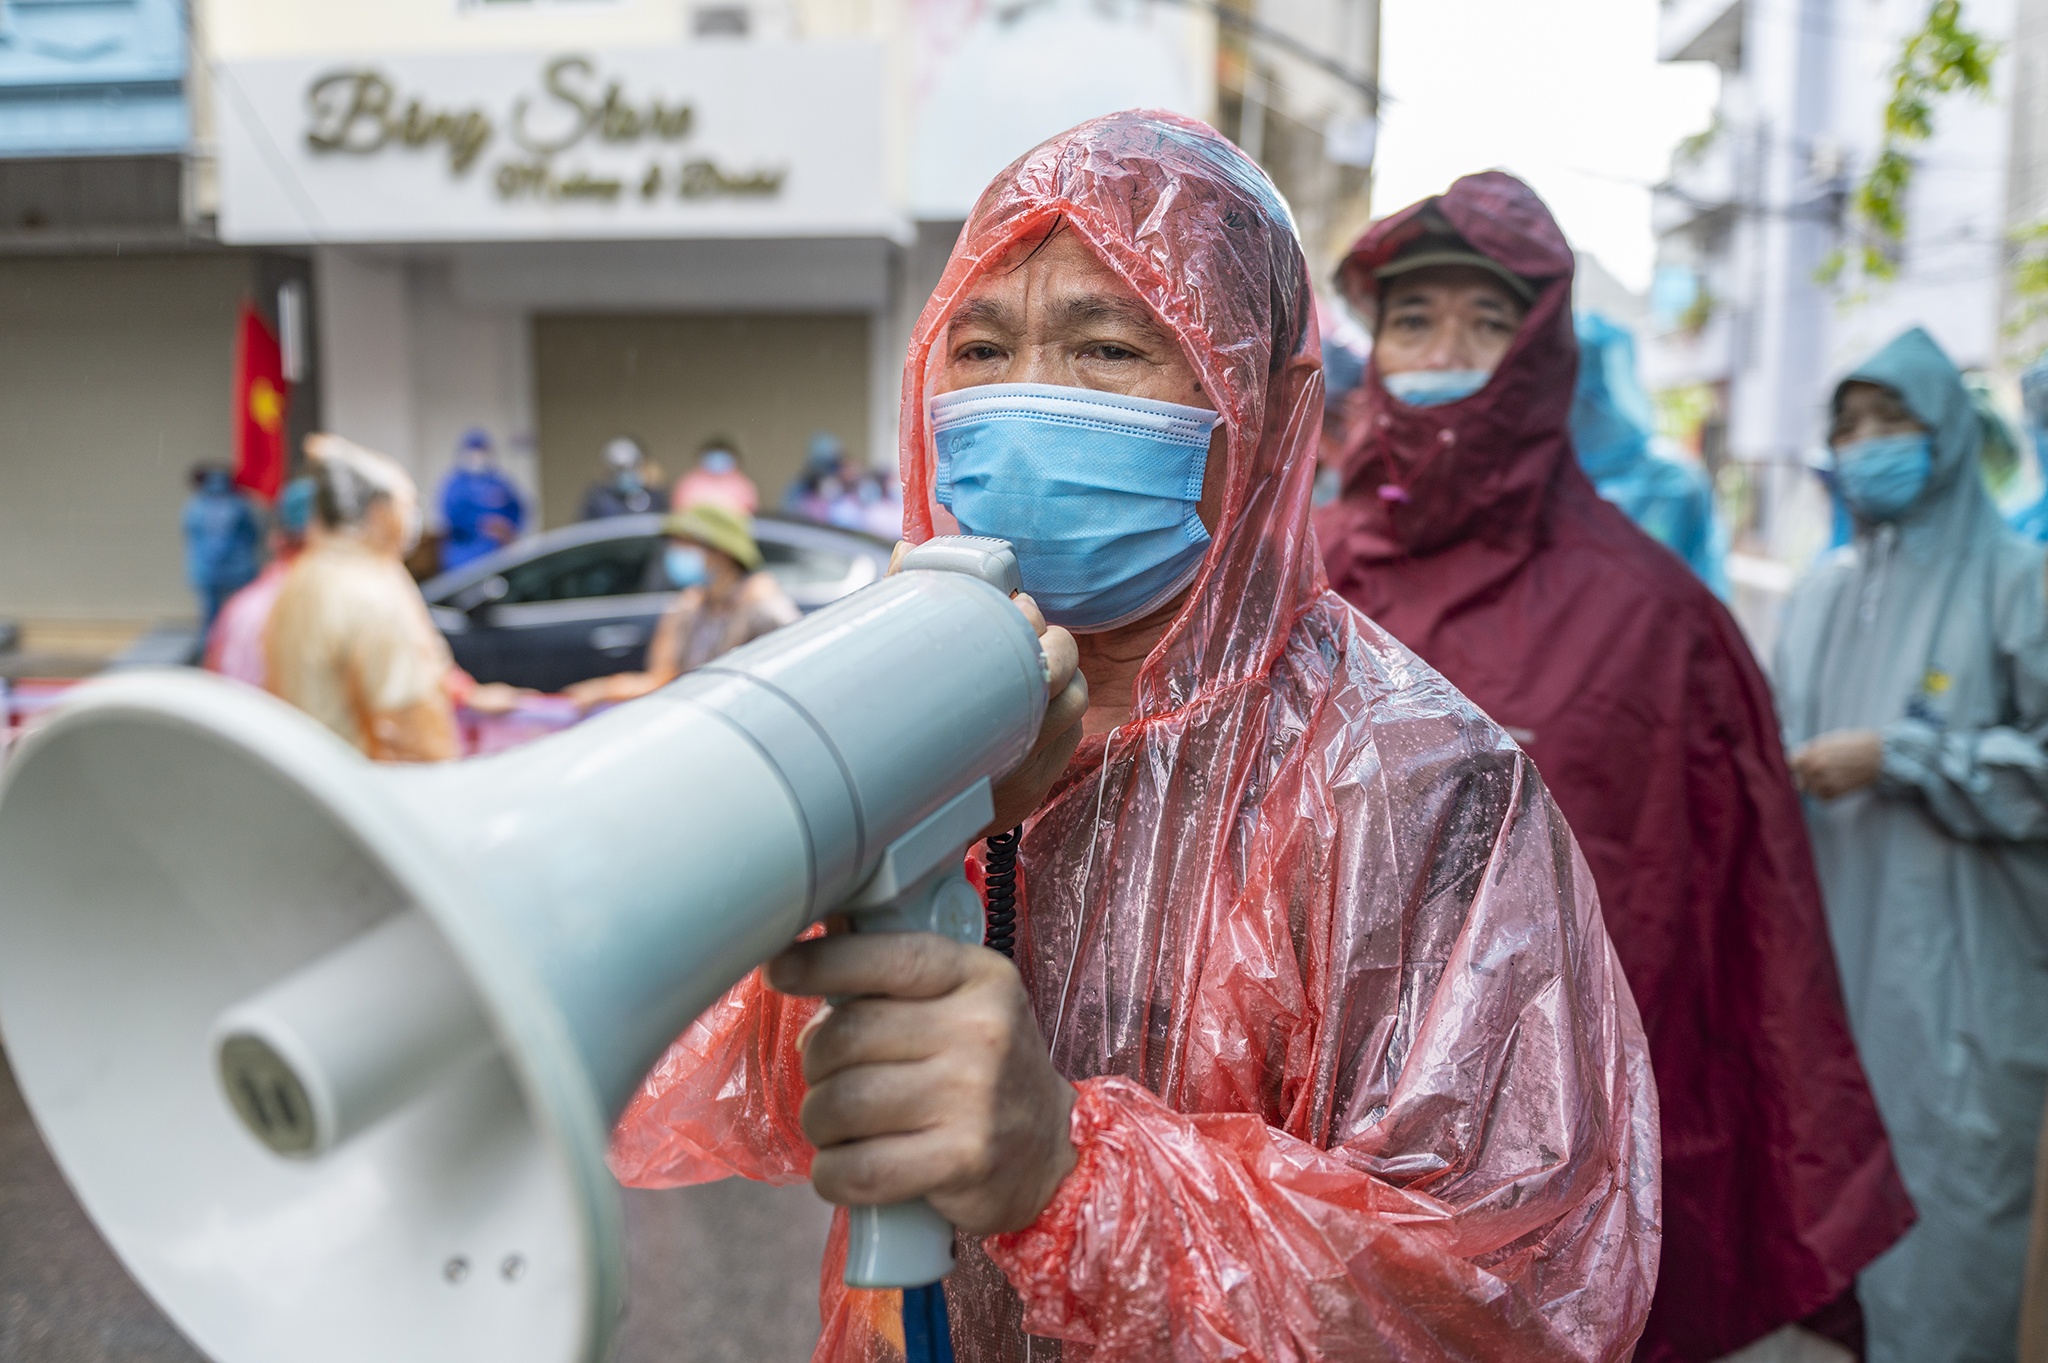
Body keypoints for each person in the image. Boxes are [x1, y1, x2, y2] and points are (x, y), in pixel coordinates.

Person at [610, 112, 1659, 1362]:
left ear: (1262, 410)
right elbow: (676, 1064)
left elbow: (1512, 1298)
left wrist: (1065, 1172)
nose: (1028, 400)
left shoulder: (1419, 783)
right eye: (982, 346)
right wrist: (875, 815)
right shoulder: (891, 701)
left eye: (1109, 346)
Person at [1315, 172, 1912, 1363]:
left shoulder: (1658, 620)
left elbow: (1752, 944)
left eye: (1487, 322)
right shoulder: (1300, 580)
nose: (1444, 351)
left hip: (1558, 1183)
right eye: (1413, 316)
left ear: (1543, 354)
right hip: (1314, 1167)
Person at [1774, 326, 2048, 1363]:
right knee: (1844, 1234)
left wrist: (1905, 755)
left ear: (1945, 432)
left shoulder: (2019, 581)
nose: (1865, 443)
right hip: (1838, 967)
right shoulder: (1821, 593)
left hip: (1970, 983)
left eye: (1891, 419)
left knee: (1956, 1228)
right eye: (1847, 424)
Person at [266, 436, 460, 763]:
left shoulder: (304, 575)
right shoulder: (368, 592)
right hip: (368, 792)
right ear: (379, 512)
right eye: (408, 505)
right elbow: (409, 724)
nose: (412, 519)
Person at [563, 501, 798, 709]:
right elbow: (663, 679)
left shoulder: (763, 610)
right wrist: (604, 691)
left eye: (686, 545)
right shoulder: (690, 608)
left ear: (720, 553)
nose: (676, 554)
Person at [1572, 312, 1729, 594]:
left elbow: (1707, 588)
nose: (1588, 412)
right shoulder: (1541, 477)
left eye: (1595, 399)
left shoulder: (1674, 484)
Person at [204, 475, 316, 688]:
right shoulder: (314, 606)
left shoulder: (243, 606)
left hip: (213, 576)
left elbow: (214, 671)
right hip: (234, 573)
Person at [181, 464, 262, 637]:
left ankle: (208, 656)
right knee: (243, 617)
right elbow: (253, 535)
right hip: (240, 571)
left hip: (206, 571)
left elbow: (189, 533)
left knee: (210, 620)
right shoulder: (240, 504)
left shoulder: (195, 506)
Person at [437, 428, 525, 572]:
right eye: (473, 450)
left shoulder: (499, 482)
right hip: (464, 555)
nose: (477, 455)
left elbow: (518, 509)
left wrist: (506, 529)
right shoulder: (455, 484)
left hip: (498, 553)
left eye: (482, 450)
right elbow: (451, 516)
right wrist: (482, 525)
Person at [671, 437, 760, 515]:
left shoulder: (743, 484)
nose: (717, 461)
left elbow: (749, 512)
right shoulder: (688, 482)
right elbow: (679, 509)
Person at [580, 437, 662, 520]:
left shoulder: (652, 494)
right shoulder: (598, 500)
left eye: (631, 467)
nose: (625, 474)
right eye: (619, 470)